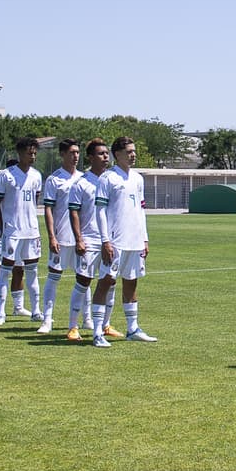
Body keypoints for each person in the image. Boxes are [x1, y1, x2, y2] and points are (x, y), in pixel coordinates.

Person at [90, 136, 155, 346]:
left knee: (131, 281)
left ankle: (132, 328)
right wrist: (105, 241)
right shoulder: (108, 178)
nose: (133, 155)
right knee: (106, 282)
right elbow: (100, 211)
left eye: (134, 151)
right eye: (129, 152)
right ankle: (97, 332)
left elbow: (141, 210)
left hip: (134, 240)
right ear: (117, 155)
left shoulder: (138, 179)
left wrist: (144, 238)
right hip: (115, 241)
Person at [0, 137, 44, 327]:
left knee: (32, 272)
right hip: (12, 232)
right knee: (5, 271)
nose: (33, 156)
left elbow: (34, 200)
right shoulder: (6, 176)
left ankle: (36, 311)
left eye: (35, 153)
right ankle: (1, 313)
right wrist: (3, 227)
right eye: (29, 153)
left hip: (31, 232)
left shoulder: (36, 176)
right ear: (20, 153)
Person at [66, 138, 109, 341]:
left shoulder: (111, 181)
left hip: (109, 240)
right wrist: (79, 239)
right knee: (83, 281)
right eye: (101, 154)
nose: (105, 157)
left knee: (109, 282)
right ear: (90, 157)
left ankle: (105, 325)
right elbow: (73, 212)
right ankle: (73, 326)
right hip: (89, 239)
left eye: (107, 153)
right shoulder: (81, 183)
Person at [37, 139, 81, 335]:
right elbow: (48, 209)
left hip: (80, 239)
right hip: (61, 237)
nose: (75, 156)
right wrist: (52, 237)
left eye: (77, 152)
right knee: (54, 277)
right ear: (62, 154)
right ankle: (47, 320)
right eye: (72, 152)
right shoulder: (54, 179)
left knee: (84, 278)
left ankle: (87, 318)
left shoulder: (83, 178)